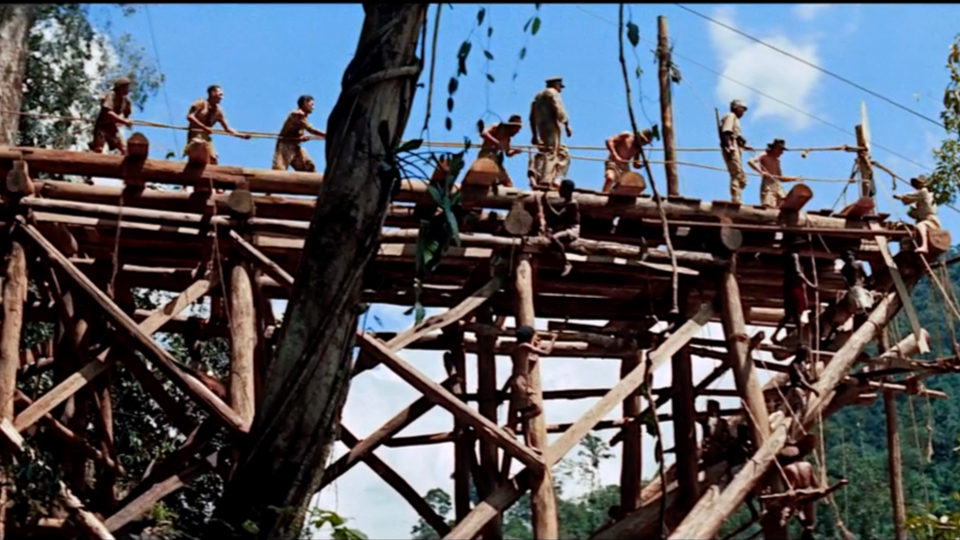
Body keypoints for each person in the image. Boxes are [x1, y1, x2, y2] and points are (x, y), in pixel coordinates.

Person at [502, 325, 557, 434]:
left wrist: (536, 344)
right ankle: (511, 425)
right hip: (521, 383)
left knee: (525, 412)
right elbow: (546, 353)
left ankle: (528, 443)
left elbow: (532, 359)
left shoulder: (517, 349)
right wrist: (553, 339)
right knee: (536, 409)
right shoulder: (525, 346)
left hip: (519, 381)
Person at [183, 84, 251, 165]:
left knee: (213, 160)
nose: (222, 97)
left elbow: (227, 129)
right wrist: (204, 127)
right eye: (220, 94)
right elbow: (190, 116)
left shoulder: (218, 111)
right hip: (195, 135)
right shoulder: (200, 103)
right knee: (198, 146)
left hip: (206, 137)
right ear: (213, 93)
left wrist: (241, 135)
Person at [528, 77, 572, 189]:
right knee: (551, 152)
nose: (560, 90)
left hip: (541, 127)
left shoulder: (537, 96)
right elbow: (559, 109)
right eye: (559, 86)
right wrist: (566, 124)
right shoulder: (552, 93)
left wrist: (534, 134)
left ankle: (553, 177)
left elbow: (532, 116)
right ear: (556, 85)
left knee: (559, 151)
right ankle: (546, 180)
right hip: (551, 126)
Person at [772, 237, 817, 344]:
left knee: (789, 314)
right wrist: (810, 284)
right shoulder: (794, 255)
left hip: (788, 284)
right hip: (795, 284)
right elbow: (797, 272)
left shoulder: (786, 254)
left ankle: (775, 335)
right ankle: (800, 340)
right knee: (797, 313)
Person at [272, 94, 326, 172]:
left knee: (308, 167)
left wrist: (301, 137)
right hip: (285, 145)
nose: (313, 107)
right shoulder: (297, 114)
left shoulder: (300, 116)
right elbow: (311, 129)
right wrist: (328, 135)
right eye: (311, 104)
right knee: (279, 170)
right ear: (305, 103)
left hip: (295, 146)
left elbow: (297, 131)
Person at [541, 178, 580, 277]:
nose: (559, 191)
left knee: (554, 238)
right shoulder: (567, 202)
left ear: (567, 190)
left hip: (572, 229)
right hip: (564, 227)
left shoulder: (572, 204)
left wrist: (546, 204)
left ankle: (566, 263)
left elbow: (558, 216)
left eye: (561, 189)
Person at [747, 138, 802, 208]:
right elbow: (750, 161)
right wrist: (761, 172)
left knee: (784, 204)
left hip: (777, 186)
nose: (781, 153)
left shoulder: (777, 161)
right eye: (780, 150)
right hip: (768, 185)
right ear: (775, 148)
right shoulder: (765, 154)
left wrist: (793, 179)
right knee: (769, 206)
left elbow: (780, 178)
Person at [894, 175, 941, 254]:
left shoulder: (924, 192)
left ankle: (924, 246)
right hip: (923, 219)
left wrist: (900, 197)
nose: (916, 185)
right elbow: (912, 214)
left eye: (918, 183)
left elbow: (910, 197)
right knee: (911, 232)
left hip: (929, 220)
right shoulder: (921, 199)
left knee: (920, 226)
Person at [89, 76, 134, 156]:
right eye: (126, 87)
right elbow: (108, 112)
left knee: (124, 148)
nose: (128, 89)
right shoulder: (112, 95)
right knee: (98, 149)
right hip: (102, 126)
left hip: (112, 127)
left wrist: (124, 119)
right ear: (121, 87)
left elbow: (126, 113)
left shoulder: (125, 100)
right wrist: (123, 121)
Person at [719, 99, 753, 203]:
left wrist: (743, 146)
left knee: (743, 179)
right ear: (736, 108)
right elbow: (726, 132)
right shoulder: (731, 116)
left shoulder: (736, 120)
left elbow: (735, 136)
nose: (743, 112)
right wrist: (730, 146)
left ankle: (737, 194)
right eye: (742, 109)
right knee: (736, 174)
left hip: (735, 146)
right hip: (731, 147)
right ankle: (736, 199)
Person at [478, 114, 524, 187]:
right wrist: (496, 142)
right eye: (517, 129)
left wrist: (515, 152)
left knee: (508, 184)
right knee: (493, 180)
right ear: (512, 126)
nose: (517, 132)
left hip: (497, 160)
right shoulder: (497, 127)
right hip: (487, 156)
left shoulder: (507, 138)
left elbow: (507, 153)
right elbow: (483, 133)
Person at [698, 399, 731, 467]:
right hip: (709, 446)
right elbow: (694, 416)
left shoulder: (722, 422)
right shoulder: (705, 419)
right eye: (708, 407)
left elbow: (726, 434)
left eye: (711, 407)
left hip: (719, 446)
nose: (709, 409)